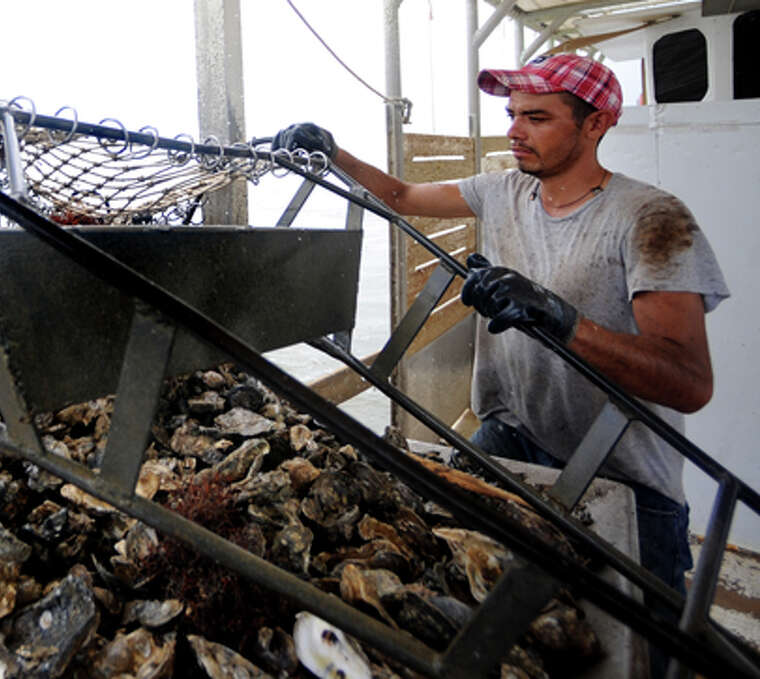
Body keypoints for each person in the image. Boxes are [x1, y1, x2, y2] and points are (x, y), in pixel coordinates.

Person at [276, 53, 729, 677]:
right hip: (508, 439)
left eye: (536, 118)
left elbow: (688, 381)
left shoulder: (651, 218)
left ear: (596, 124)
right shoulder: (501, 191)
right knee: (457, 590)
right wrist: (333, 153)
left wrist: (561, 318)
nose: (514, 130)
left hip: (624, 474)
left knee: (642, 652)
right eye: (513, 114)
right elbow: (401, 196)